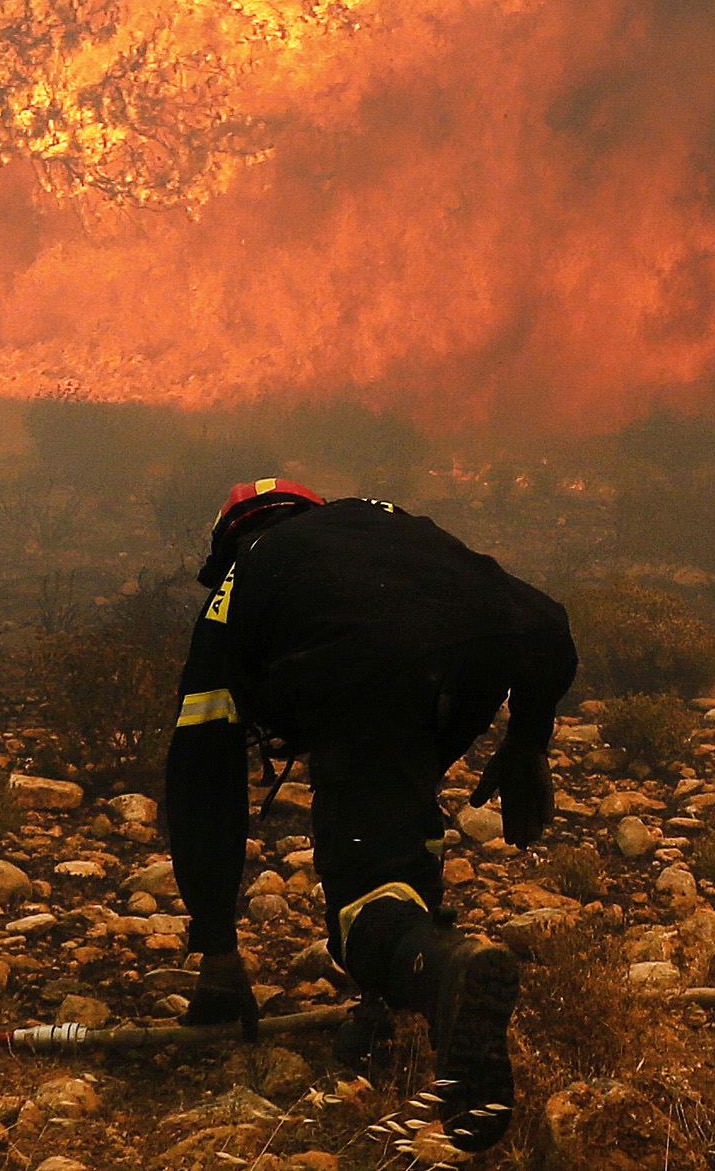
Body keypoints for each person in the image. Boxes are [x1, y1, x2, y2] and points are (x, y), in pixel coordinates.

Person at [164, 479, 576, 1155]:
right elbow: (547, 622)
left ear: (234, 540)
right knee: (393, 815)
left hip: (361, 667)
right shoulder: (399, 529)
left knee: (362, 888)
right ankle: (389, 1003)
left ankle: (445, 971)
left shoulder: (241, 578)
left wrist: (216, 946)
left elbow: (202, 773)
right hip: (485, 651)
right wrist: (529, 739)